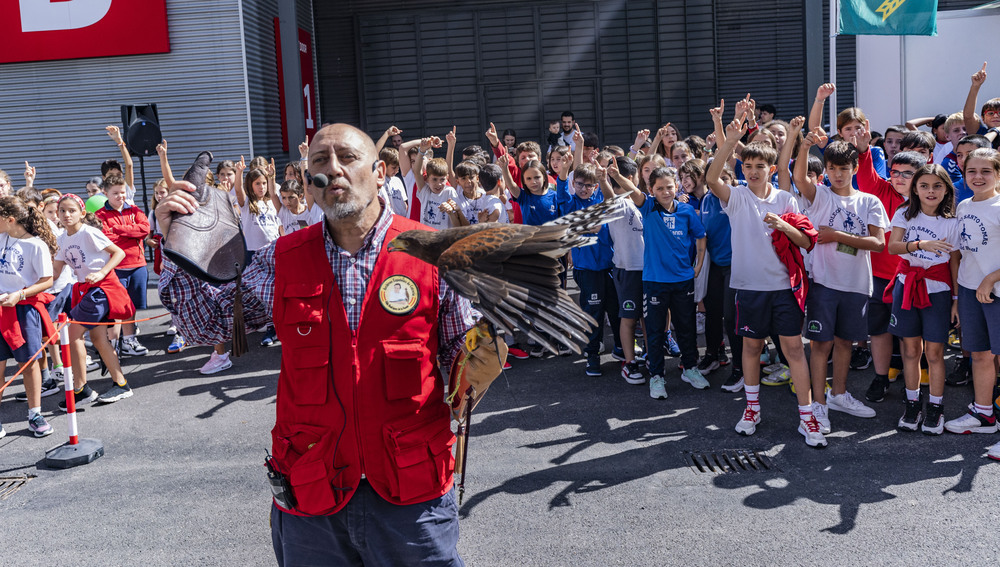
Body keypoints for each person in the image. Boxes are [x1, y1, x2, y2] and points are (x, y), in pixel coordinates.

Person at [157, 123, 500, 565]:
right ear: (309, 183)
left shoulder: (433, 254)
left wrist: (490, 343)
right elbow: (207, 327)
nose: (333, 169)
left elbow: (464, 364)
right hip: (311, 493)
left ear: (380, 173)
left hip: (411, 493)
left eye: (348, 158)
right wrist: (176, 246)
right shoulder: (279, 261)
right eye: (320, 161)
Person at [706, 110, 826, 448]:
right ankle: (752, 409)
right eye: (748, 166)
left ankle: (807, 416)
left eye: (760, 167)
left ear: (772, 170)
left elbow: (806, 241)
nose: (753, 172)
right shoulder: (737, 196)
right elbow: (712, 179)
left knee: (793, 350)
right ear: (742, 170)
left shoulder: (786, 199)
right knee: (751, 348)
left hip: (784, 288)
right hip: (748, 289)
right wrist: (730, 140)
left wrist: (785, 225)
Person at [794, 134, 889, 433]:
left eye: (843, 168)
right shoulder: (820, 195)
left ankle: (839, 395)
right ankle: (818, 405)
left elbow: (877, 243)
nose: (837, 174)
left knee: (845, 342)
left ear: (855, 167)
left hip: (858, 284)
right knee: (821, 345)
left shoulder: (869, 201)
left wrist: (836, 235)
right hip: (823, 282)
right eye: (832, 168)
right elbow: (798, 176)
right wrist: (806, 145)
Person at [884, 164, 960, 434]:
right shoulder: (904, 213)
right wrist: (919, 245)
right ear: (915, 188)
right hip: (907, 286)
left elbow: (954, 263)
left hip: (937, 292)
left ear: (946, 189)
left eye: (937, 186)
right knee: (910, 350)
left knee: (935, 353)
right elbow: (892, 247)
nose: (930, 191)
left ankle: (936, 409)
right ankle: (912, 404)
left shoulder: (953, 221)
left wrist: (955, 300)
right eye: (924, 185)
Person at [622, 165, 708, 397]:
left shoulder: (687, 211)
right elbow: (632, 190)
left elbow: (701, 237)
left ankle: (690, 369)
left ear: (677, 185)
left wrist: (698, 264)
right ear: (651, 190)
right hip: (655, 281)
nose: (666, 192)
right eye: (659, 188)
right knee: (655, 331)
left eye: (669, 186)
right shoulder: (649, 207)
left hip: (683, 280)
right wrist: (614, 175)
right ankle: (657, 376)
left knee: (686, 328)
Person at [53, 194, 134, 408]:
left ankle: (80, 389)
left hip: (102, 288)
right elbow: (55, 271)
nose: (66, 214)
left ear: (82, 213)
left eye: (71, 210)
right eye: (62, 211)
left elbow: (118, 253)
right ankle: (121, 384)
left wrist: (101, 272)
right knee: (98, 339)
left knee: (71, 334)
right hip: (84, 290)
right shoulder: (62, 239)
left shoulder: (89, 232)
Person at [947, 149, 1000, 453]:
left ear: (997, 174)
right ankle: (983, 413)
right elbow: (963, 253)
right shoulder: (964, 205)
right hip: (970, 290)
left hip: (994, 291)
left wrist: (991, 279)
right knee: (979, 354)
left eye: (986, 171)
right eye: (972, 171)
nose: (978, 177)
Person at [0, 196, 56, 438]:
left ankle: (35, 413)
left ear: (10, 220)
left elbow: (48, 280)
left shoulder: (36, 245)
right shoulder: (2, 237)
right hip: (1, 307)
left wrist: (19, 294)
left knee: (28, 362)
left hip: (24, 308)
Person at [95, 174, 151, 357]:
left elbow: (144, 230)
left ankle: (129, 341)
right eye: (116, 193)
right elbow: (105, 238)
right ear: (105, 193)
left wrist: (119, 230)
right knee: (115, 307)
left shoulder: (135, 210)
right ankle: (112, 345)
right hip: (116, 267)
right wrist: (131, 233)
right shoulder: (99, 215)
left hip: (137, 265)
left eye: (123, 192)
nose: (121, 196)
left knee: (132, 306)